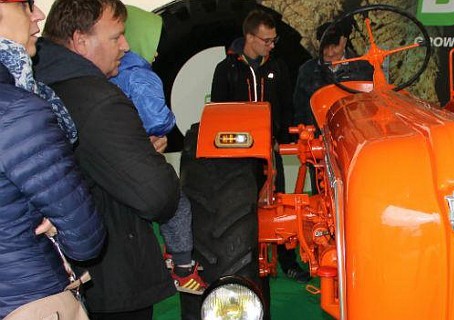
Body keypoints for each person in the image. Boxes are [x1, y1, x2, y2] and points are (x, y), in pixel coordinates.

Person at [34, 0, 180, 319]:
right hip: (112, 281)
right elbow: (158, 195)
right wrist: (147, 154)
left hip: (61, 275)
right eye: (117, 37)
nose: (126, 46)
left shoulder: (36, 86)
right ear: (81, 40)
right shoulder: (99, 101)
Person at [0, 0, 106, 317]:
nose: (38, 15)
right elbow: (86, 238)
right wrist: (55, 224)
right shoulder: (18, 112)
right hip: (28, 297)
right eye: (25, 5)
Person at [109, 4, 206, 295]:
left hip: (117, 156)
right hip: (142, 156)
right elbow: (157, 119)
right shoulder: (140, 74)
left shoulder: (106, 75)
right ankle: (183, 265)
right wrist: (165, 125)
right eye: (152, 45)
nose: (157, 53)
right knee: (176, 205)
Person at [210, 9, 309, 283]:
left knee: (279, 205)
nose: (271, 45)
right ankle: (242, 262)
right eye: (266, 40)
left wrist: (284, 139)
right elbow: (219, 111)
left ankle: (288, 261)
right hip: (238, 156)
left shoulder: (277, 67)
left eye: (273, 40)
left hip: (271, 150)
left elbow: (286, 105)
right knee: (240, 208)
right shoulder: (226, 69)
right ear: (250, 37)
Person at [293, 21, 373, 133]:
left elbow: (372, 110)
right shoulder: (307, 71)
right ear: (317, 44)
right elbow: (299, 112)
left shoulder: (363, 69)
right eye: (325, 47)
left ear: (344, 41)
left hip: (354, 136)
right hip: (318, 140)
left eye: (335, 46)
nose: (330, 53)